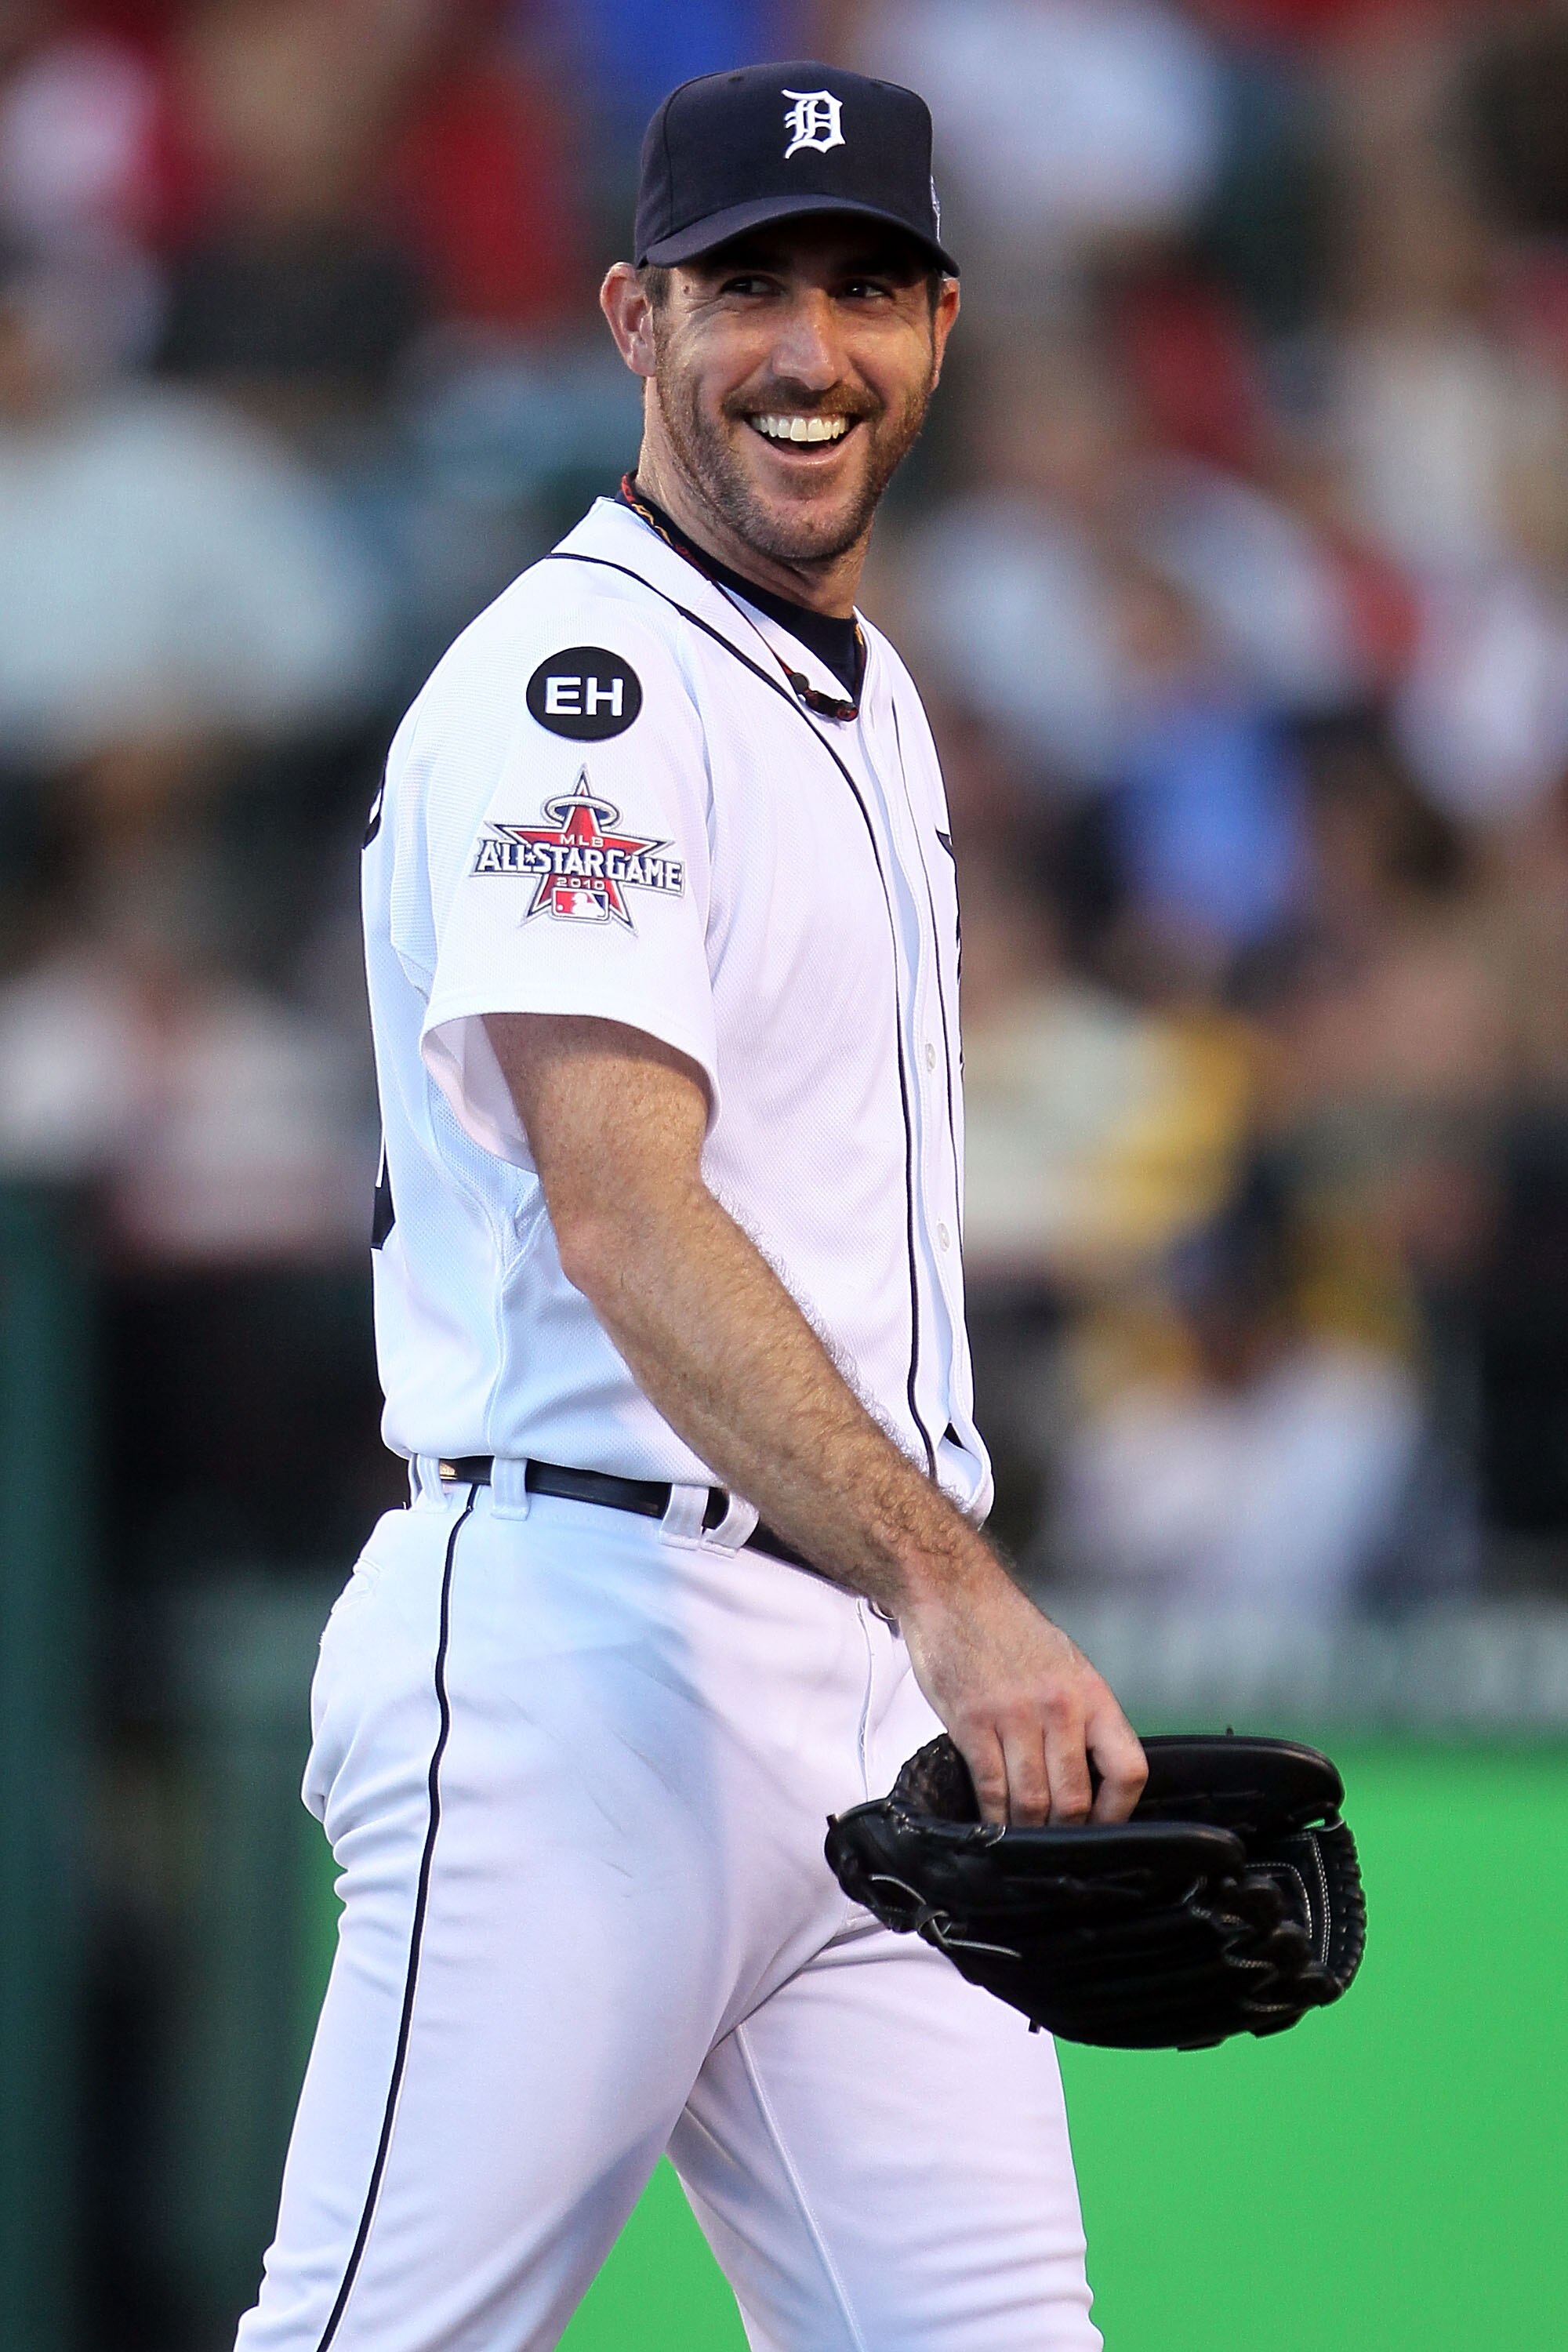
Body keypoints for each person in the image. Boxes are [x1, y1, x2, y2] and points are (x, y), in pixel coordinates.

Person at [236, 62, 1145, 2352]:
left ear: (942, 326)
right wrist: (960, 1590)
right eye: (751, 287)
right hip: (585, 1652)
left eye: (865, 288)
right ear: (633, 316)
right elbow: (626, 1221)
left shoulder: (869, 692)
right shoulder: (589, 689)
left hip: (845, 1675)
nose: (809, 350)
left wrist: (913, 1606)